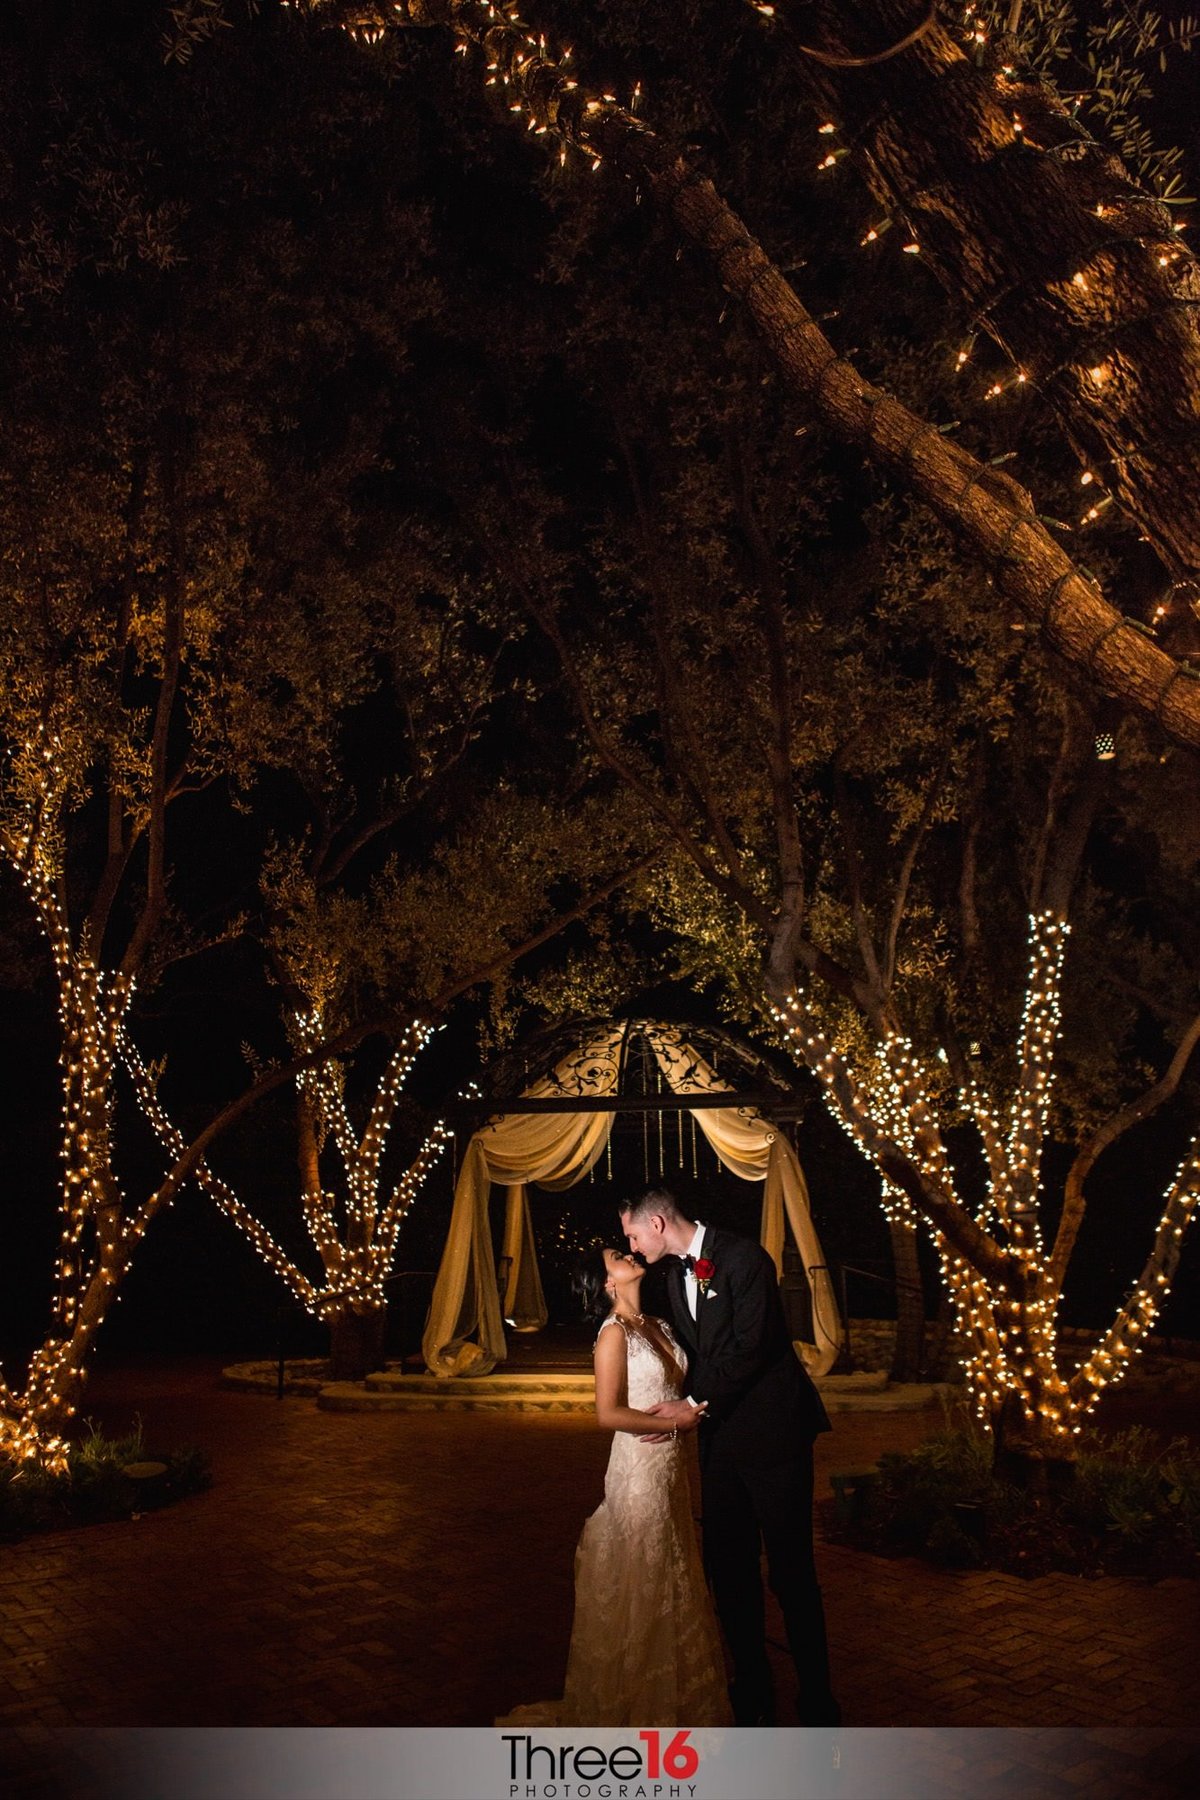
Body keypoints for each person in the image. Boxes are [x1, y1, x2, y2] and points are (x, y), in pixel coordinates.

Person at [620, 1187, 840, 1727]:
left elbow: (754, 1345)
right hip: (721, 1441)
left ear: (655, 1222)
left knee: (790, 1570)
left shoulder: (744, 1259)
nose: (629, 1244)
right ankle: (753, 1685)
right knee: (729, 1566)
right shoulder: (674, 1276)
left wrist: (691, 1403)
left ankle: (817, 1695)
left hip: (775, 1435)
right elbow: (697, 1356)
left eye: (631, 1235)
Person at [497, 1246, 732, 1727]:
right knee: (645, 1571)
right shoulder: (613, 1334)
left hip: (671, 1471)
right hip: (640, 1468)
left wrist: (692, 1411)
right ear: (607, 1283)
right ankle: (636, 1705)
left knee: (673, 1566)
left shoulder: (660, 1325)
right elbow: (606, 1413)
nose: (626, 1253)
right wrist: (677, 1425)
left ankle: (679, 1703)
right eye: (614, 1257)